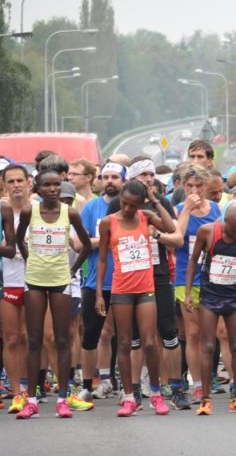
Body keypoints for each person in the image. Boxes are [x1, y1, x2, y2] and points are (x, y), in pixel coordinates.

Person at [13, 170, 91, 419]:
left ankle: (62, 399)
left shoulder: (70, 213)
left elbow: (86, 245)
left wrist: (72, 270)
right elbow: (19, 239)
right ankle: (31, 400)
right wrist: (30, 261)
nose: (53, 189)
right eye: (47, 185)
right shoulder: (30, 212)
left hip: (60, 280)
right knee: (34, 339)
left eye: (57, 184)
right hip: (35, 279)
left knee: (62, 339)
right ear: (37, 188)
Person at [94, 179, 176, 417]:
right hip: (121, 289)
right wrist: (99, 293)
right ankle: (130, 397)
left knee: (150, 343)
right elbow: (102, 259)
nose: (128, 208)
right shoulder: (108, 222)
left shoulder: (146, 216)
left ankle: (156, 394)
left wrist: (154, 200)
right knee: (124, 343)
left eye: (134, 205)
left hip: (145, 288)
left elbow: (170, 228)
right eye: (125, 203)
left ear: (141, 203)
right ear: (121, 198)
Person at [185, 205, 236, 415]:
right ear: (224, 222)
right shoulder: (207, 232)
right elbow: (192, 261)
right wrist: (189, 293)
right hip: (210, 297)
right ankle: (205, 399)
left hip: (233, 297)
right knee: (208, 346)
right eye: (233, 231)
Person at [174, 164, 223, 404]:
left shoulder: (216, 209)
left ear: (206, 185)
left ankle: (209, 379)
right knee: (192, 333)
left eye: (199, 185)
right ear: (183, 186)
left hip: (213, 278)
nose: (194, 190)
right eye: (189, 186)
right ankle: (196, 384)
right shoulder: (178, 210)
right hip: (185, 278)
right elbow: (176, 239)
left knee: (212, 334)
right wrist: (186, 210)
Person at [1, 165, 32, 413]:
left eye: (20, 180)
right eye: (11, 181)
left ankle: (31, 388)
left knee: (32, 337)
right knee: (12, 338)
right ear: (4, 185)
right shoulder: (3, 210)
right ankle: (17, 392)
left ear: (29, 182)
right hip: (9, 280)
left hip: (37, 280)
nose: (16, 185)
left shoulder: (41, 208)